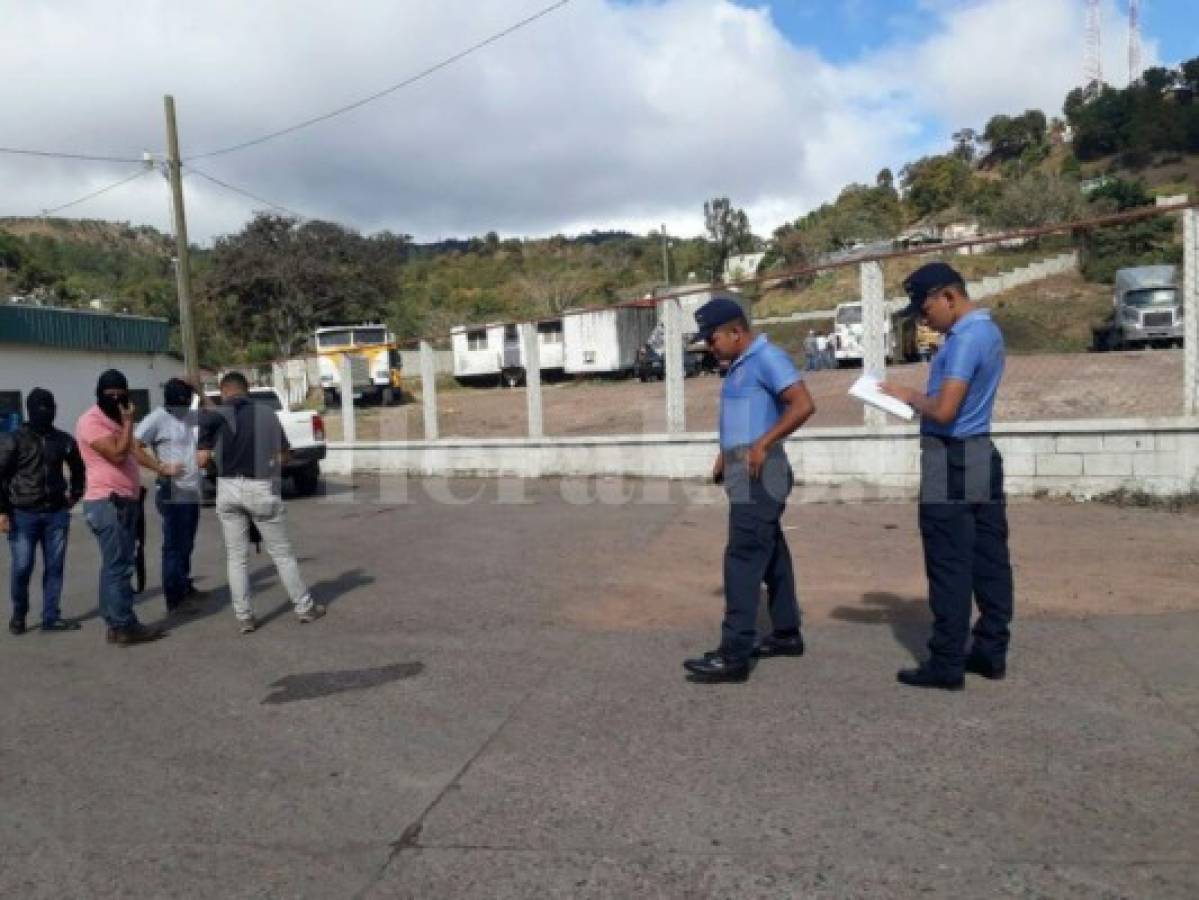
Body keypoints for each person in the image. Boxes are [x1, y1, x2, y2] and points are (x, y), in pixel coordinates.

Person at [880, 262, 1014, 691]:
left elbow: (944, 410)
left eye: (925, 310)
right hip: (979, 452)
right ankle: (991, 651)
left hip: (949, 457)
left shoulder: (962, 341)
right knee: (988, 556)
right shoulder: (988, 331)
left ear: (949, 297)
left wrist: (908, 396)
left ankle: (946, 662)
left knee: (949, 561)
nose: (924, 320)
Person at [683, 298, 816, 683]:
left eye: (712, 339)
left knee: (742, 557)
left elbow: (803, 404)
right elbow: (742, 416)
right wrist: (726, 454)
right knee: (770, 551)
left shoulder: (767, 358)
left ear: (736, 332)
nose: (710, 346)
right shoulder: (739, 366)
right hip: (743, 469)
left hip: (763, 470)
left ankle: (734, 653)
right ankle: (787, 634)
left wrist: (762, 444)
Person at [197, 372, 324, 634]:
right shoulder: (267, 413)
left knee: (236, 558)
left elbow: (201, 461)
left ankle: (244, 617)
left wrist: (217, 463)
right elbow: (284, 456)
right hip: (261, 486)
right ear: (247, 390)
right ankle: (304, 608)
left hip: (227, 488)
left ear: (224, 392)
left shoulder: (215, 417)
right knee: (282, 554)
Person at [76, 370, 169, 645]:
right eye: (110, 393)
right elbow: (117, 454)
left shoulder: (115, 419)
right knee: (119, 568)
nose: (116, 397)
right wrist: (129, 421)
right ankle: (124, 624)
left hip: (122, 501)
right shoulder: (91, 421)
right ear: (100, 393)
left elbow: (134, 452)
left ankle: (115, 624)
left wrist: (160, 468)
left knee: (113, 566)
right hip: (108, 502)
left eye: (121, 392)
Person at [0, 388, 86, 635]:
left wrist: (75, 494)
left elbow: (78, 469)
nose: (47, 412)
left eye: (51, 406)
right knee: (22, 567)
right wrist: (2, 511)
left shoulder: (63, 440)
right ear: (30, 409)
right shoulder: (14, 440)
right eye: (41, 407)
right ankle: (19, 614)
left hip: (56, 513)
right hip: (22, 514)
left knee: (55, 567)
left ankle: (51, 616)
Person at [135, 378, 206, 615]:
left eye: (187, 404)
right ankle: (174, 598)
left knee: (187, 542)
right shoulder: (157, 418)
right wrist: (159, 467)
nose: (182, 410)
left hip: (191, 488)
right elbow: (133, 446)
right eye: (179, 406)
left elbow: (217, 417)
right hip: (171, 490)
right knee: (174, 546)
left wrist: (200, 392)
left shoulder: (187, 414)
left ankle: (184, 585)